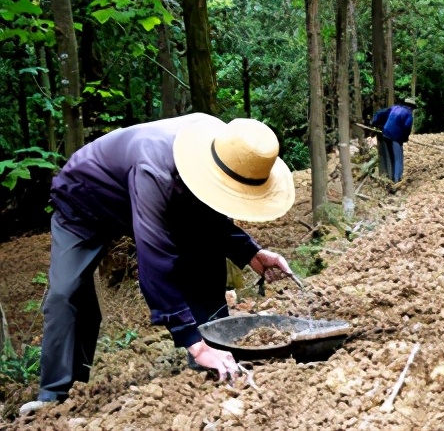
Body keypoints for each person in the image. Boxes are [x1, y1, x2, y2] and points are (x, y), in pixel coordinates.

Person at [21, 114, 298, 415]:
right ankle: (55, 396)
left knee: (203, 253)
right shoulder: (155, 168)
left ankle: (215, 354)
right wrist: (191, 340)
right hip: (85, 203)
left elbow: (210, 217)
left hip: (146, 194)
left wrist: (250, 252)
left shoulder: (230, 149)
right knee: (66, 293)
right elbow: (154, 260)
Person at [371, 97, 415, 183]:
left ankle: (387, 176)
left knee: (388, 156)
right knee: (398, 158)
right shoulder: (408, 114)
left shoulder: (394, 108)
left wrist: (374, 123)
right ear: (411, 107)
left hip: (385, 133)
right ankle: (397, 179)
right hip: (396, 137)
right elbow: (407, 127)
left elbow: (380, 113)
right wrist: (405, 138)